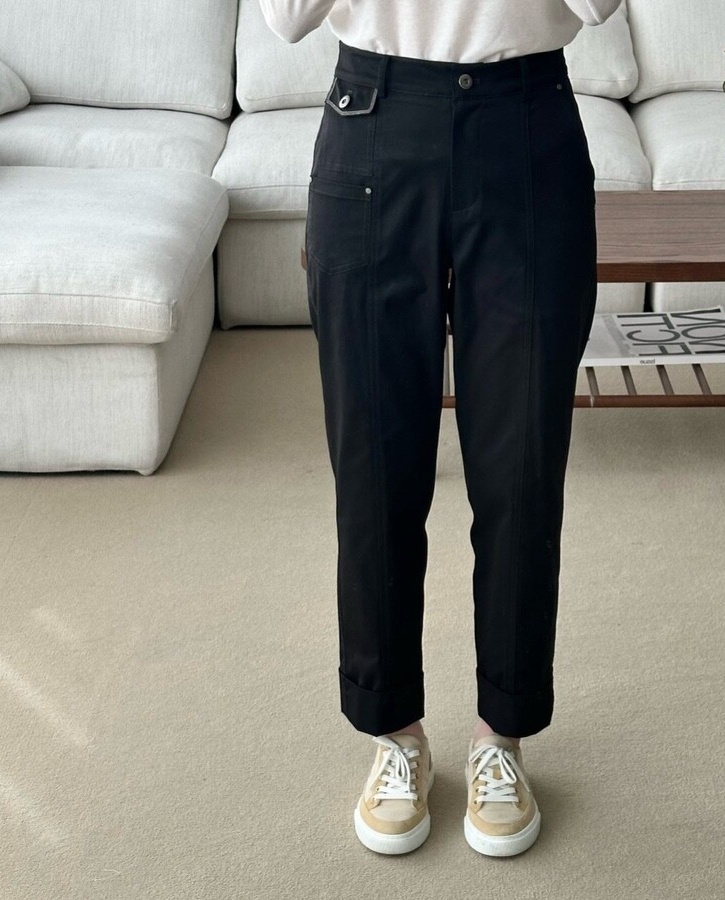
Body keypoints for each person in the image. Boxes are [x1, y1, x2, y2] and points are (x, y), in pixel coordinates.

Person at [259, 0, 620, 857]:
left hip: (526, 124)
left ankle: (503, 736)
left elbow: (597, 6)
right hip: (372, 121)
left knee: (522, 467)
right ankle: (397, 735)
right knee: (374, 467)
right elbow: (285, 18)